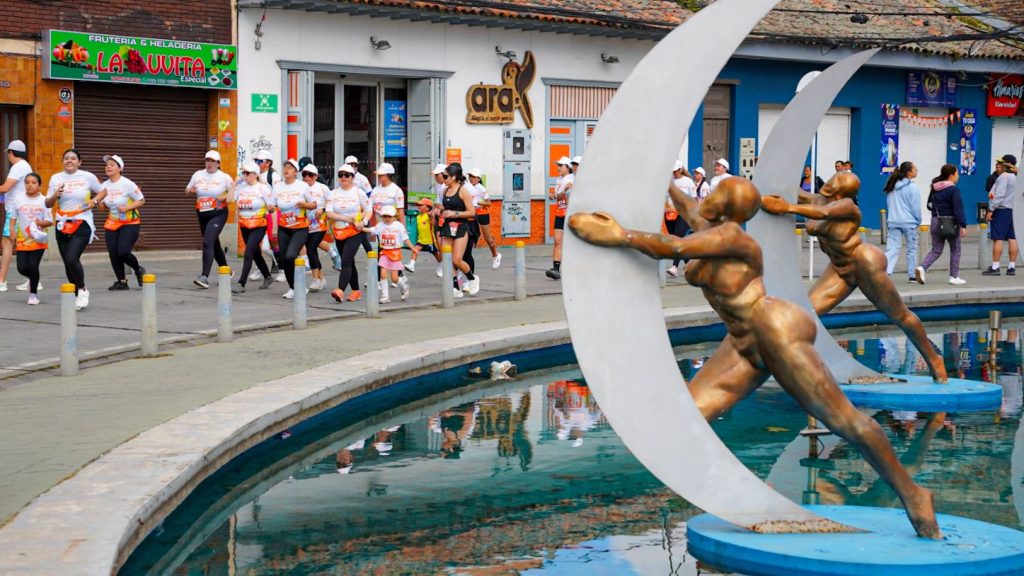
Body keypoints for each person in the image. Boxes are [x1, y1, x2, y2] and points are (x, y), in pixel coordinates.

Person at [570, 177, 940, 540]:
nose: (707, 195)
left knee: (844, 421)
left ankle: (912, 493)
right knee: (685, 420)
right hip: (741, 341)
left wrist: (621, 235)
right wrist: (663, 182)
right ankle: (748, 494)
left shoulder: (733, 237)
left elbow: (675, 248)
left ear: (727, 206)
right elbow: (687, 208)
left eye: (717, 191)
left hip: (774, 330)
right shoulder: (707, 225)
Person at [758, 172, 948, 383]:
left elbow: (823, 213)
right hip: (839, 267)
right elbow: (796, 192)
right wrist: (761, 188)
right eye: (836, 175)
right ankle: (794, 363)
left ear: (841, 192)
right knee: (804, 312)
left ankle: (934, 358)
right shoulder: (818, 199)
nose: (834, 179)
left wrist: (787, 208)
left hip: (864, 263)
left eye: (839, 180)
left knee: (899, 315)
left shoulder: (848, 207)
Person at [45, 148, 104, 310]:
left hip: (82, 221)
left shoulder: (87, 176)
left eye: (73, 158)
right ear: (63, 161)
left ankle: (82, 289)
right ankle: (76, 292)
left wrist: (94, 201)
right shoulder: (56, 178)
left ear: (79, 162)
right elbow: (48, 203)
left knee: (72, 258)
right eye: (66, 158)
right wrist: (55, 195)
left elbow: (103, 191)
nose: (69, 160)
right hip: (62, 222)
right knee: (67, 262)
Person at [186, 150, 234, 289]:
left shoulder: (224, 177)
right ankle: (226, 271)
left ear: (218, 163)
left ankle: (204, 277)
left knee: (207, 241)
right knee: (214, 244)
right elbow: (187, 189)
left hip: (218, 213)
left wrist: (224, 197)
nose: (209, 163)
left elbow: (233, 195)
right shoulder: (198, 174)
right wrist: (190, 191)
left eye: (213, 161)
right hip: (202, 213)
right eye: (207, 160)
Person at [98, 155, 145, 290]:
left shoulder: (127, 184)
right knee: (113, 253)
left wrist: (127, 208)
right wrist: (99, 202)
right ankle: (121, 281)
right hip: (112, 222)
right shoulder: (104, 186)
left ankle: (138, 269)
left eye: (112, 165)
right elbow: (102, 208)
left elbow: (141, 200)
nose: (108, 167)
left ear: (120, 168)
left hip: (130, 223)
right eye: (107, 165)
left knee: (123, 252)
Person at [272, 158, 317, 299]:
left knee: (291, 255)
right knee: (285, 259)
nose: (286, 169)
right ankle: (294, 287)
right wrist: (270, 208)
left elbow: (314, 204)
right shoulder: (277, 186)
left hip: (300, 227)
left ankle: (299, 285)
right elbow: (273, 206)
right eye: (285, 167)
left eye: (290, 167)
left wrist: (304, 205)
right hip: (284, 227)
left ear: (296, 172)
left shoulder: (303, 186)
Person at [326, 163, 371, 302]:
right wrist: (344, 218)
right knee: (349, 261)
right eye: (341, 175)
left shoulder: (359, 192)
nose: (343, 178)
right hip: (339, 231)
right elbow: (329, 212)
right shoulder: (333, 193)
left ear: (353, 177)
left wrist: (363, 222)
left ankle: (340, 290)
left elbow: (369, 209)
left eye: (347, 175)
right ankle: (356, 291)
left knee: (345, 260)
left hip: (355, 231)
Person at [916, 164, 967, 285]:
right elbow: (958, 209)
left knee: (936, 250)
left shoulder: (935, 188)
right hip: (950, 223)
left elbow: (929, 205)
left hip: (935, 221)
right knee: (955, 249)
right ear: (951, 175)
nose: (958, 176)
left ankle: (922, 268)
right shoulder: (953, 190)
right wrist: (963, 225)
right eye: (957, 174)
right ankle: (954, 277)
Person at [232, 160, 275, 293]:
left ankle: (241, 283)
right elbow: (229, 199)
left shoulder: (262, 188)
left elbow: (272, 207)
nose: (245, 175)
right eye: (244, 173)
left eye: (248, 173)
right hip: (244, 224)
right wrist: (234, 184)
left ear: (255, 174)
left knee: (249, 252)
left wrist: (270, 209)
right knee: (255, 253)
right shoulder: (241, 187)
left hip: (259, 224)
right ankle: (267, 276)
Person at [7, 172, 50, 304]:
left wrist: (39, 223)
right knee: (21, 268)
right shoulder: (18, 199)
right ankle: (33, 278)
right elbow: (13, 217)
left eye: (33, 183)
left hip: (38, 239)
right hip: (23, 239)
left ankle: (33, 295)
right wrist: (12, 230)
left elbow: (49, 221)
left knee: (32, 266)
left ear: (39, 186)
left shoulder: (44, 200)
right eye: (27, 183)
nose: (30, 185)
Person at [439, 162, 479, 296]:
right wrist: (439, 210)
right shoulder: (444, 191)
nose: (443, 179)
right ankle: (455, 287)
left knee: (457, 259)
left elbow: (472, 212)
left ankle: (472, 278)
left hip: (461, 227)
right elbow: (446, 207)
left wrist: (455, 214)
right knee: (447, 258)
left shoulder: (463, 191)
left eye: (446, 176)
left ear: (454, 177)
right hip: (447, 226)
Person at [0, 140, 33, 292]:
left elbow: (6, 188)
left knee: (7, 244)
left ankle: (1, 281)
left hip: (15, 211)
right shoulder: (24, 166)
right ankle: (33, 280)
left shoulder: (18, 167)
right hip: (20, 210)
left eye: (8, 153)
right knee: (23, 244)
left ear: (11, 153)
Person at [363, 205, 413, 303]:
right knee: (383, 274)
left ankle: (404, 287)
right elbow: (371, 230)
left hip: (395, 253)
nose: (387, 218)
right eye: (384, 216)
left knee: (394, 279)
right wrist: (360, 228)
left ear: (394, 216)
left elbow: (405, 238)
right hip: (384, 253)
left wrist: (413, 248)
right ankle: (385, 296)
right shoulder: (380, 225)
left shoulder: (398, 225)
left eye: (389, 216)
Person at [883, 161, 921, 282]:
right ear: (909, 172)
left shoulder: (892, 186)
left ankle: (885, 272)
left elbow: (889, 203)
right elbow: (915, 207)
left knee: (892, 248)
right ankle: (912, 275)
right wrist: (918, 220)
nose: (917, 170)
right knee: (912, 249)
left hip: (893, 221)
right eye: (915, 168)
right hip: (909, 222)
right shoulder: (912, 187)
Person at [983, 154, 1019, 276]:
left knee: (997, 238)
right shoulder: (1018, 177)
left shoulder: (1004, 177)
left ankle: (995, 266)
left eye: (1002, 162)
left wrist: (991, 209)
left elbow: (999, 195)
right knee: (1013, 238)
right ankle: (1011, 267)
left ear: (1008, 164)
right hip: (1015, 211)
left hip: (1002, 210)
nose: (1000, 165)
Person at [301, 163, 329, 292]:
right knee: (312, 251)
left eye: (310, 175)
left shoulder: (323, 188)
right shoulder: (300, 188)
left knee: (311, 249)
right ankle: (321, 278)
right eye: (304, 175)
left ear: (316, 176)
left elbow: (331, 203)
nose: (307, 177)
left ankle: (315, 279)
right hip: (305, 223)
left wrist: (322, 209)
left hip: (320, 223)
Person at [254, 150, 282, 280]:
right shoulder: (254, 173)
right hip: (258, 213)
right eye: (256, 161)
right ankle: (259, 268)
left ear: (268, 163)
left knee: (272, 242)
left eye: (260, 161)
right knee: (257, 244)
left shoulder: (273, 176)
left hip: (272, 212)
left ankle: (282, 269)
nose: (257, 163)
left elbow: (277, 194)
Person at [666, 160, 697, 277]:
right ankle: (689, 265)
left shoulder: (688, 181)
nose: (674, 173)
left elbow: (693, 199)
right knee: (674, 239)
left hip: (684, 214)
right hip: (670, 213)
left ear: (680, 170)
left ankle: (674, 267)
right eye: (672, 171)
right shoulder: (670, 181)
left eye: (676, 171)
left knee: (678, 237)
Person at [467, 167, 501, 268]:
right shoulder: (467, 187)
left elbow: (489, 203)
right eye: (470, 176)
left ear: (478, 178)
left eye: (473, 177)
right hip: (472, 213)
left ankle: (495, 255)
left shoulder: (481, 188)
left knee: (487, 237)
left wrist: (478, 202)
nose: (471, 178)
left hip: (482, 214)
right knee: (469, 236)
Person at [546, 156, 573, 280]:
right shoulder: (559, 180)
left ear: (568, 167)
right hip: (559, 213)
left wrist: (561, 193)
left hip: (569, 214)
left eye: (560, 165)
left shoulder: (572, 179)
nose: (558, 168)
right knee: (557, 241)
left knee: (571, 243)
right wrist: (553, 195)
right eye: (557, 165)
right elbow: (558, 196)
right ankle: (556, 269)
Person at [405, 198, 442, 275]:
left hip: (430, 241)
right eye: (418, 205)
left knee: (436, 254)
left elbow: (433, 219)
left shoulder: (428, 215)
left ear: (428, 208)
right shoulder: (418, 217)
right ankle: (412, 265)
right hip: (421, 240)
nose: (419, 206)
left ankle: (442, 266)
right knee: (415, 250)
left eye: (421, 205)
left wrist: (434, 209)